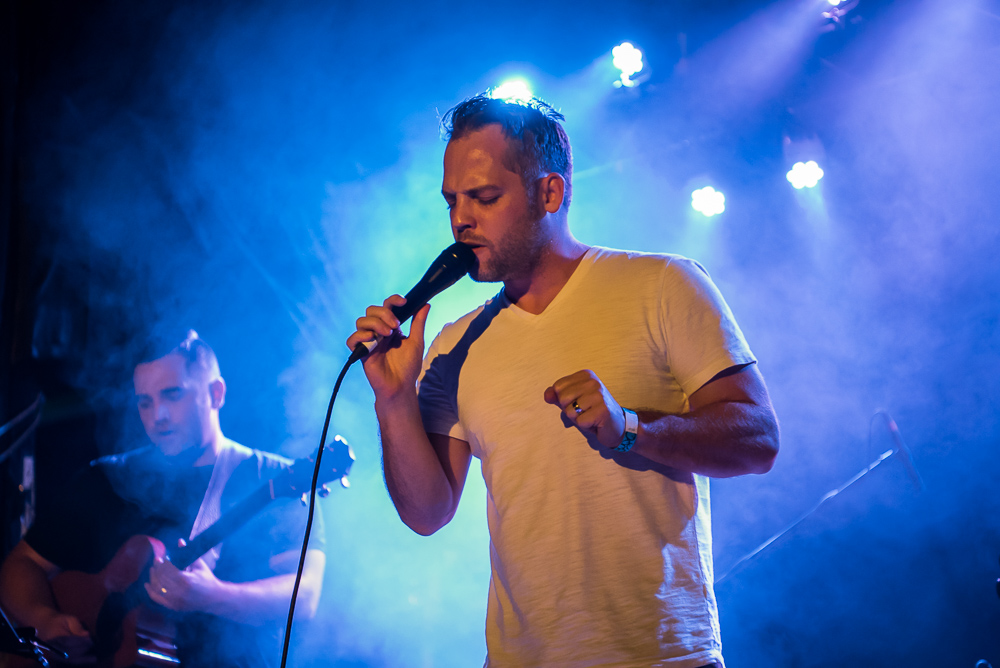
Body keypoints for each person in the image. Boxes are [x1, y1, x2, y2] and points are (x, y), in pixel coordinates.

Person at [346, 93, 780, 668]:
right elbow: (427, 513)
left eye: (484, 197)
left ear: (548, 193)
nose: (460, 220)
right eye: (452, 201)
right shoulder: (453, 342)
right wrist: (394, 401)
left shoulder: (662, 285)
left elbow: (758, 440)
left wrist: (631, 428)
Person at [0, 330, 326, 668]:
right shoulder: (105, 478)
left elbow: (306, 596)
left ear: (216, 393)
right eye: (145, 402)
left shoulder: (274, 478)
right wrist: (45, 619)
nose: (158, 416)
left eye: (173, 395)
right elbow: (21, 565)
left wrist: (214, 597)